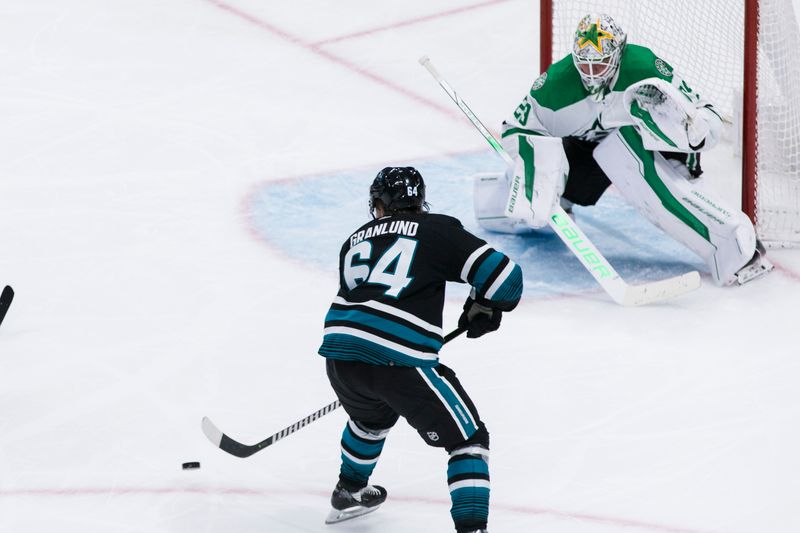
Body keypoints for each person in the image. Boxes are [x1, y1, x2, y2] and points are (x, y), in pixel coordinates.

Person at [474, 13, 773, 286]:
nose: (592, 73)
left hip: (645, 144)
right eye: (584, 63)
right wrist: (537, 180)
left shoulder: (644, 67)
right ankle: (504, 203)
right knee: (534, 199)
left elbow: (700, 113)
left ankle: (732, 245)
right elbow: (517, 128)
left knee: (628, 157)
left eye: (600, 63)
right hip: (585, 149)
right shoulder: (554, 86)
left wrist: (698, 129)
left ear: (618, 54)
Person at [318, 166, 523, 533]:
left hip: (339, 356)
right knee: (468, 441)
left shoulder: (353, 240)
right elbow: (506, 279)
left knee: (371, 419)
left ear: (378, 204)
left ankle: (349, 490)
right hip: (397, 361)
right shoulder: (437, 229)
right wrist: (486, 305)